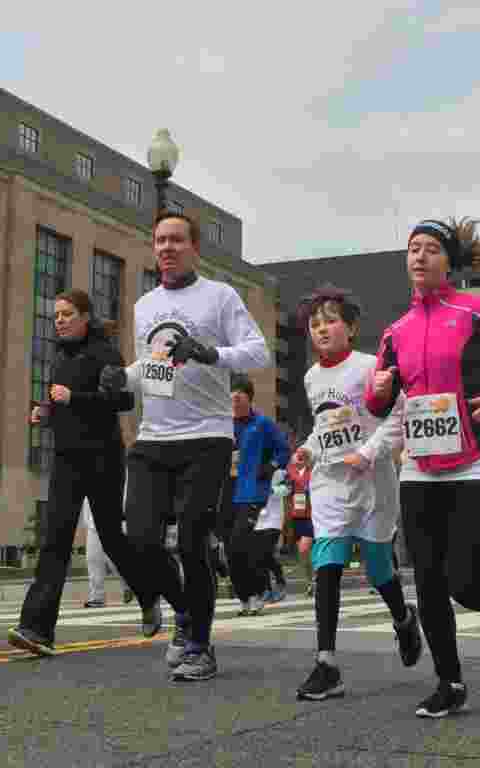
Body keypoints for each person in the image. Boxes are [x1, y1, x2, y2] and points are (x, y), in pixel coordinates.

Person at [365, 218, 480, 718]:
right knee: (429, 580)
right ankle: (450, 682)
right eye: (413, 249)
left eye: (431, 249)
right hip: (420, 465)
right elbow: (377, 404)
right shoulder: (395, 331)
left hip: (477, 459)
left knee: (463, 576)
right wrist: (376, 391)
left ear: (449, 260)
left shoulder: (478, 310)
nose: (419, 257)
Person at [99, 212, 270, 682]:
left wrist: (211, 353)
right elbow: (150, 364)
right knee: (139, 540)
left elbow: (259, 352)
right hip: (154, 436)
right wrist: (124, 377)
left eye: (176, 240)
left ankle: (200, 646)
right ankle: (185, 612)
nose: (167, 248)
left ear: (195, 247)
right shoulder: (146, 304)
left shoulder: (220, 296)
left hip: (207, 436)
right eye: (159, 241)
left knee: (194, 540)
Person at [292, 283, 423, 702]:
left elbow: (401, 414)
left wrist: (367, 453)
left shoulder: (372, 366)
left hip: (373, 481)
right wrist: (309, 449)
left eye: (330, 321)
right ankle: (326, 663)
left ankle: (404, 619)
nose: (322, 329)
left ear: (351, 327)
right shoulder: (312, 377)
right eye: (315, 324)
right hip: (330, 481)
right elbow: (324, 425)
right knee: (326, 563)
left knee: (377, 567)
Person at [7, 290, 145, 656]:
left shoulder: (105, 354)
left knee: (112, 538)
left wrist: (74, 399)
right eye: (56, 315)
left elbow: (124, 401)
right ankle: (36, 629)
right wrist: (47, 413)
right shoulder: (60, 355)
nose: (59, 320)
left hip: (102, 458)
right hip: (67, 459)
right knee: (55, 540)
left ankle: (148, 595)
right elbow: (61, 402)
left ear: (85, 317)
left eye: (67, 314)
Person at [228, 374, 290, 615]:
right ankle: (245, 598)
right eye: (231, 397)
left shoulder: (262, 424)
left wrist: (271, 465)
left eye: (239, 397)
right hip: (225, 492)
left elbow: (284, 449)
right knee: (231, 550)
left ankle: (255, 593)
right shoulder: (222, 423)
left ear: (249, 398)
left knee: (241, 545)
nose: (234, 401)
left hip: (252, 492)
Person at [81, 498, 135, 608]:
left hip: (113, 524)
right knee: (93, 560)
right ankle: (97, 597)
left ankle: (128, 586)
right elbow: (86, 505)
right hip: (93, 526)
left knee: (114, 561)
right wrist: (88, 524)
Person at [286, 435, 315, 597]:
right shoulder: (290, 471)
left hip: (312, 515)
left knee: (305, 548)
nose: (300, 456)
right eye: (298, 453)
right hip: (296, 515)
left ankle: (315, 579)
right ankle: (310, 580)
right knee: (302, 553)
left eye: (303, 454)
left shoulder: (313, 471)